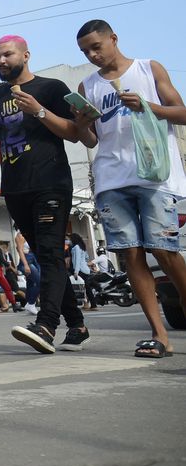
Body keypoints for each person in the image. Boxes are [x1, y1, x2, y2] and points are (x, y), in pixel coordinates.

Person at [0, 34, 87, 354]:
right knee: (48, 256)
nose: (1, 61)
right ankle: (78, 324)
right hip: (15, 188)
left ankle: (45, 325)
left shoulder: (52, 88)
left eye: (7, 55)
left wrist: (40, 111)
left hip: (51, 182)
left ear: (26, 55)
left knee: (48, 253)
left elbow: (75, 134)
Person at [74, 19, 186, 358]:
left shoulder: (148, 69)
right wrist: (80, 124)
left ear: (114, 39)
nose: (92, 55)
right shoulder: (87, 86)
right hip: (111, 179)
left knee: (165, 251)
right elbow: (92, 139)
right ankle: (159, 334)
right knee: (131, 254)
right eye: (85, 52)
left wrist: (148, 107)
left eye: (97, 47)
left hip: (153, 176)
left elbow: (181, 112)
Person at [14, 229, 41, 315]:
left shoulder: (29, 233)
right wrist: (25, 265)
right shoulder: (20, 235)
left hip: (33, 259)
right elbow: (20, 251)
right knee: (40, 281)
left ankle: (29, 304)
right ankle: (31, 303)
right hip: (27, 260)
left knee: (31, 283)